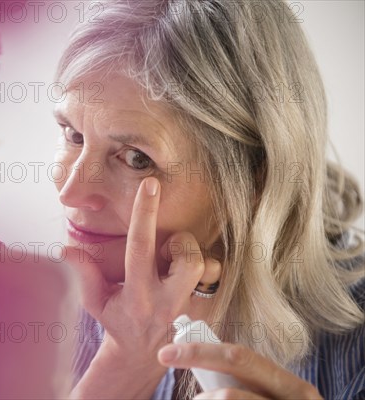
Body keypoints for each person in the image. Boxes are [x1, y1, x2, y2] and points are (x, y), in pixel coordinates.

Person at [47, 0, 365, 398]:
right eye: (73, 135)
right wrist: (126, 364)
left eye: (136, 158)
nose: (70, 191)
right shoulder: (55, 308)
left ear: (254, 183)